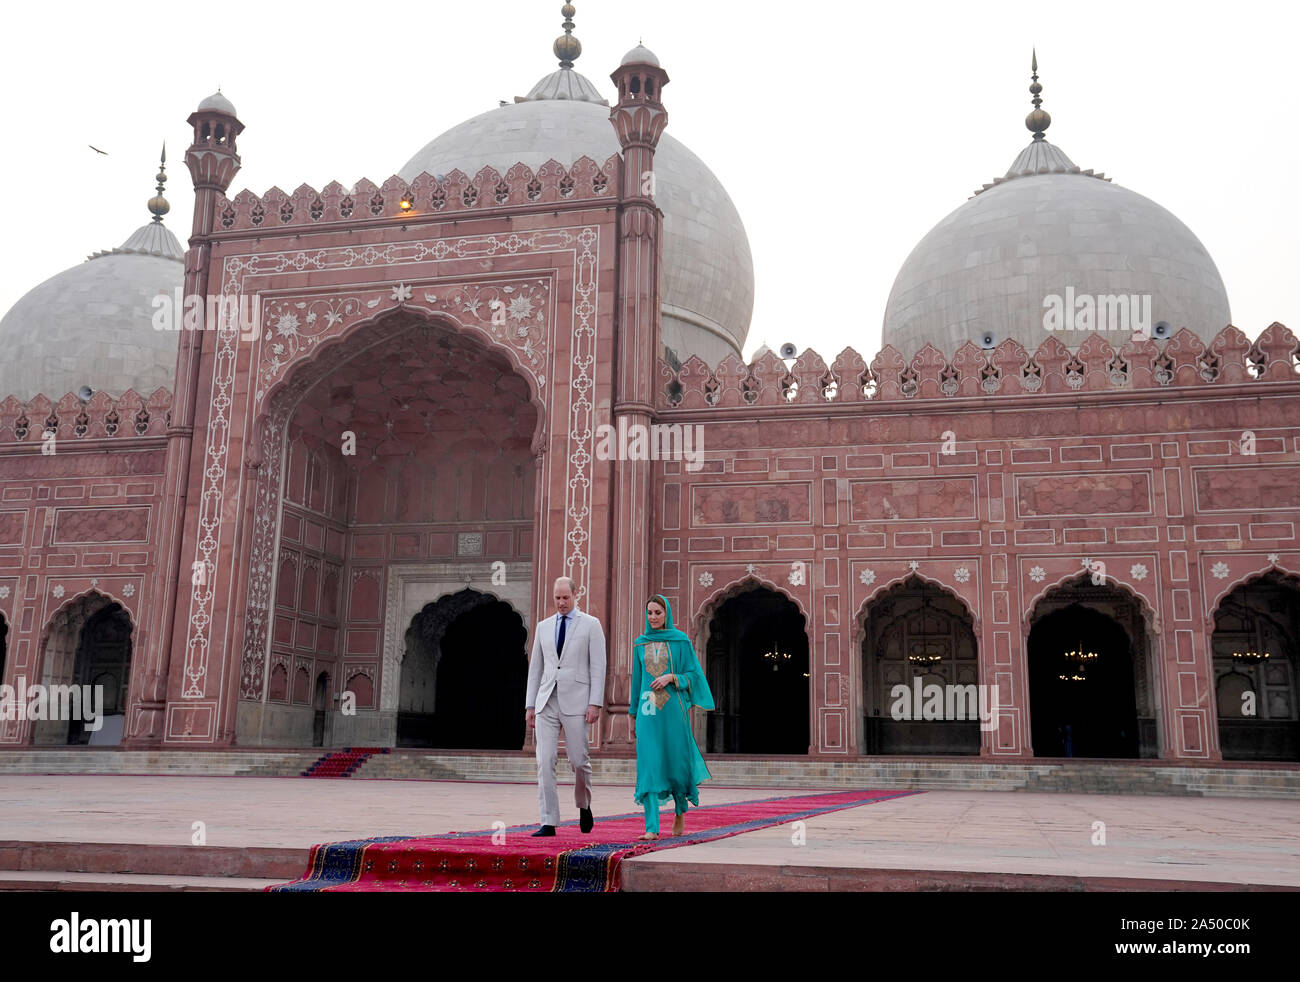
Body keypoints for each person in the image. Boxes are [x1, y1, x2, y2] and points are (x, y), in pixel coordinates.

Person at [525, 576, 606, 837]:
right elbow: (535, 669)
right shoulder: (543, 627)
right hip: (546, 700)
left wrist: (595, 702)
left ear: (575, 596)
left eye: (565, 598)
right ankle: (548, 821)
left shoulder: (591, 625)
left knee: (578, 760)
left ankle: (584, 804)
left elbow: (598, 666)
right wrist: (530, 705)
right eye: (557, 598)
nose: (561, 603)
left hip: (578, 700)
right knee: (544, 760)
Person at [628, 594, 713, 840]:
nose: (653, 617)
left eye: (658, 613)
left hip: (673, 711)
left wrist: (672, 678)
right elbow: (637, 683)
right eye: (650, 613)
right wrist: (633, 715)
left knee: (675, 762)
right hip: (648, 712)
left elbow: (694, 675)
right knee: (649, 765)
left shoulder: (680, 641)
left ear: (667, 615)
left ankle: (679, 810)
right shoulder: (640, 644)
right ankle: (651, 827)